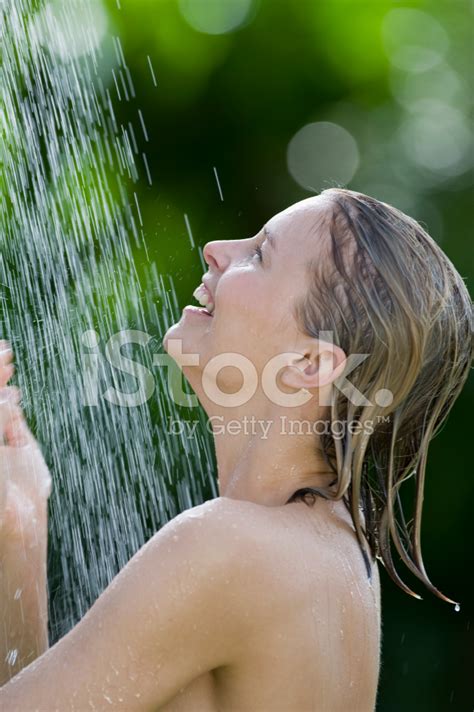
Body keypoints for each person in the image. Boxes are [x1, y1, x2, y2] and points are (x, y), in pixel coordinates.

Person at [0, 189, 472, 711]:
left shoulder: (227, 548)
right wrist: (19, 522)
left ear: (311, 364)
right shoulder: (334, 546)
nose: (214, 249)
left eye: (259, 255)